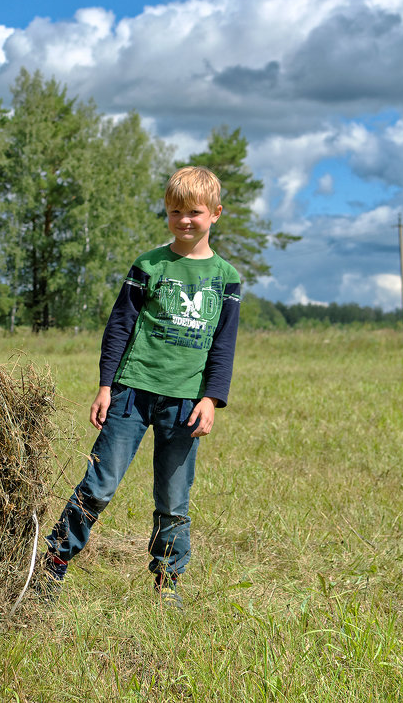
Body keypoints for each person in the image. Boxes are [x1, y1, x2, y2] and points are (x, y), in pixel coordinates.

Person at [42, 165, 241, 608]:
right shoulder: (148, 265)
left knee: (173, 496)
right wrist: (105, 385)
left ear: (215, 214)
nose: (184, 220)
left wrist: (211, 398)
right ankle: (53, 563)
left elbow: (223, 345)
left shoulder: (227, 278)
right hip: (132, 391)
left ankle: (168, 580)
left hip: (186, 402)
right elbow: (119, 327)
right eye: (174, 212)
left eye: (194, 212)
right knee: (100, 484)